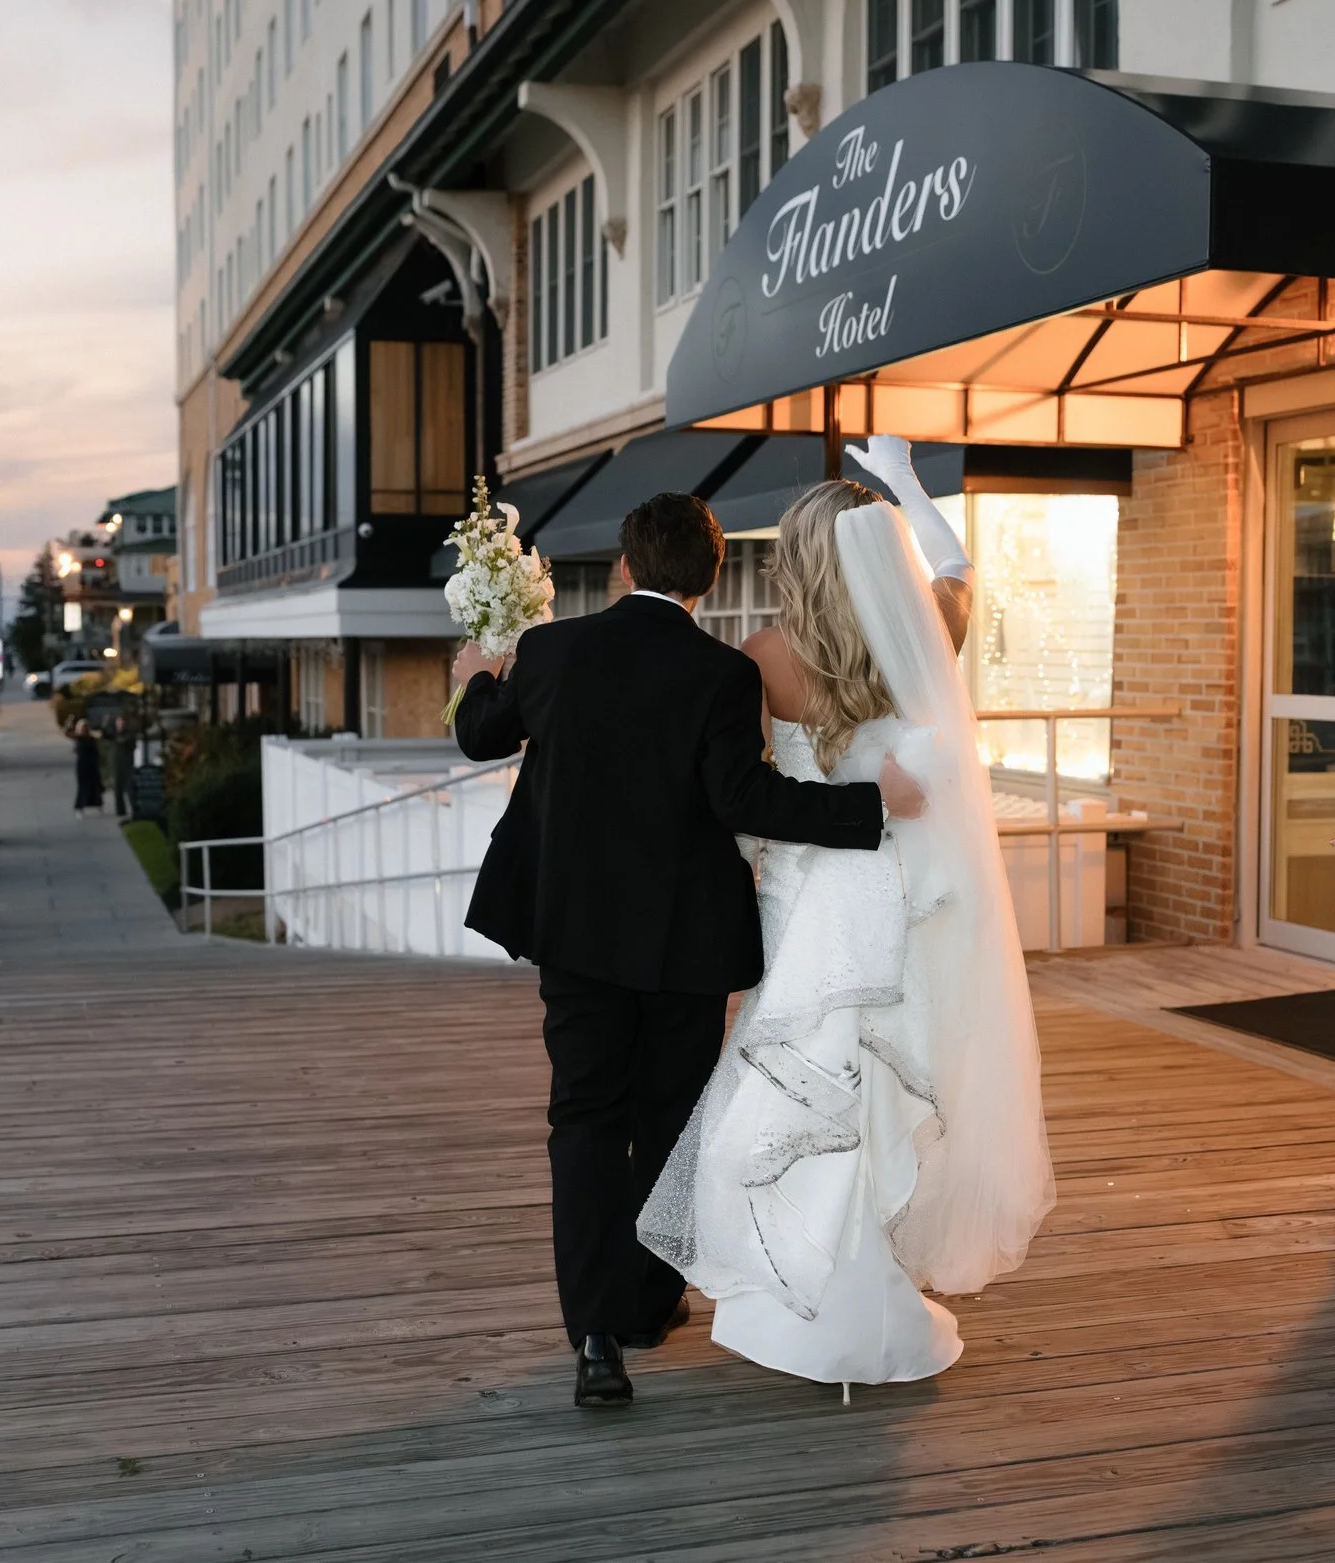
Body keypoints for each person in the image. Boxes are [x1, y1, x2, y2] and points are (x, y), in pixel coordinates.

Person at [452, 491, 931, 1410]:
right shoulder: (722, 675)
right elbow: (746, 802)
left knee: (584, 1121)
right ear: (708, 583)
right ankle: (647, 1299)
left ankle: (597, 1336)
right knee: (670, 1119)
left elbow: (481, 734)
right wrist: (872, 807)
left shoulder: (553, 651)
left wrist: (478, 669)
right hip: (685, 947)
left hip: (579, 940)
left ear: (625, 567)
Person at [638, 437, 1055, 1391]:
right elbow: (957, 567)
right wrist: (908, 477)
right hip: (894, 897)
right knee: (871, 1084)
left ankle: (802, 1299)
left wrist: (752, 865)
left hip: (805, 898)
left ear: (796, 560)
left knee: (797, 1079)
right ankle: (866, 1287)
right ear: (876, 551)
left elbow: (743, 802)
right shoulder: (915, 633)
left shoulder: (759, 660)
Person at [71, 723, 105, 815]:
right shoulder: (79, 739)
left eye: (85, 728)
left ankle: (98, 805)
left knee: (95, 786)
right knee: (83, 787)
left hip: (92, 765)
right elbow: (68, 733)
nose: (84, 730)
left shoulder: (91, 739)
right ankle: (79, 807)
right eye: (82, 728)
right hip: (82, 766)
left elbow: (96, 751)